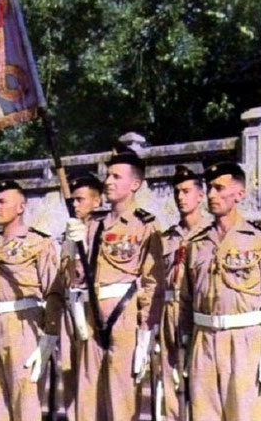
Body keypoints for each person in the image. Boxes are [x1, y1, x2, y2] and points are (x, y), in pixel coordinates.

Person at [180, 161, 261, 421]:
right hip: (204, 340)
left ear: (239, 195)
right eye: (209, 188)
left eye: (219, 188)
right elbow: (186, 300)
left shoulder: (260, 240)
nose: (211, 195)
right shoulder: (197, 243)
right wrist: (185, 347)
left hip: (245, 343)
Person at [64, 146, 164, 421]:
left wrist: (147, 329)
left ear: (135, 184)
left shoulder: (145, 225)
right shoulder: (94, 226)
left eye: (116, 176)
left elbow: (154, 282)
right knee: (88, 400)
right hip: (92, 316)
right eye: (108, 176)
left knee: (121, 400)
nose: (108, 182)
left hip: (125, 317)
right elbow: (76, 277)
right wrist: (73, 246)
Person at [0, 179, 62, 421]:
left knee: (25, 399)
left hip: (22, 325)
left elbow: (54, 292)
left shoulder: (38, 243)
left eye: (2, 201)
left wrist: (50, 334)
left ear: (21, 207)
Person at [158, 165, 210, 420]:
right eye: (177, 191)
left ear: (200, 195)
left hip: (198, 315)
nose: (181, 197)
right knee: (169, 384)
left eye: (187, 191)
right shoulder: (167, 237)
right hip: (169, 314)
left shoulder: (211, 235)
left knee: (201, 387)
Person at [60, 173, 103, 421]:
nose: (75, 205)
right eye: (72, 200)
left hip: (91, 310)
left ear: (96, 202)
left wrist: (84, 245)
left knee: (91, 377)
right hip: (71, 308)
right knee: (70, 375)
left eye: (80, 199)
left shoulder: (102, 230)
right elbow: (64, 270)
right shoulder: (68, 230)